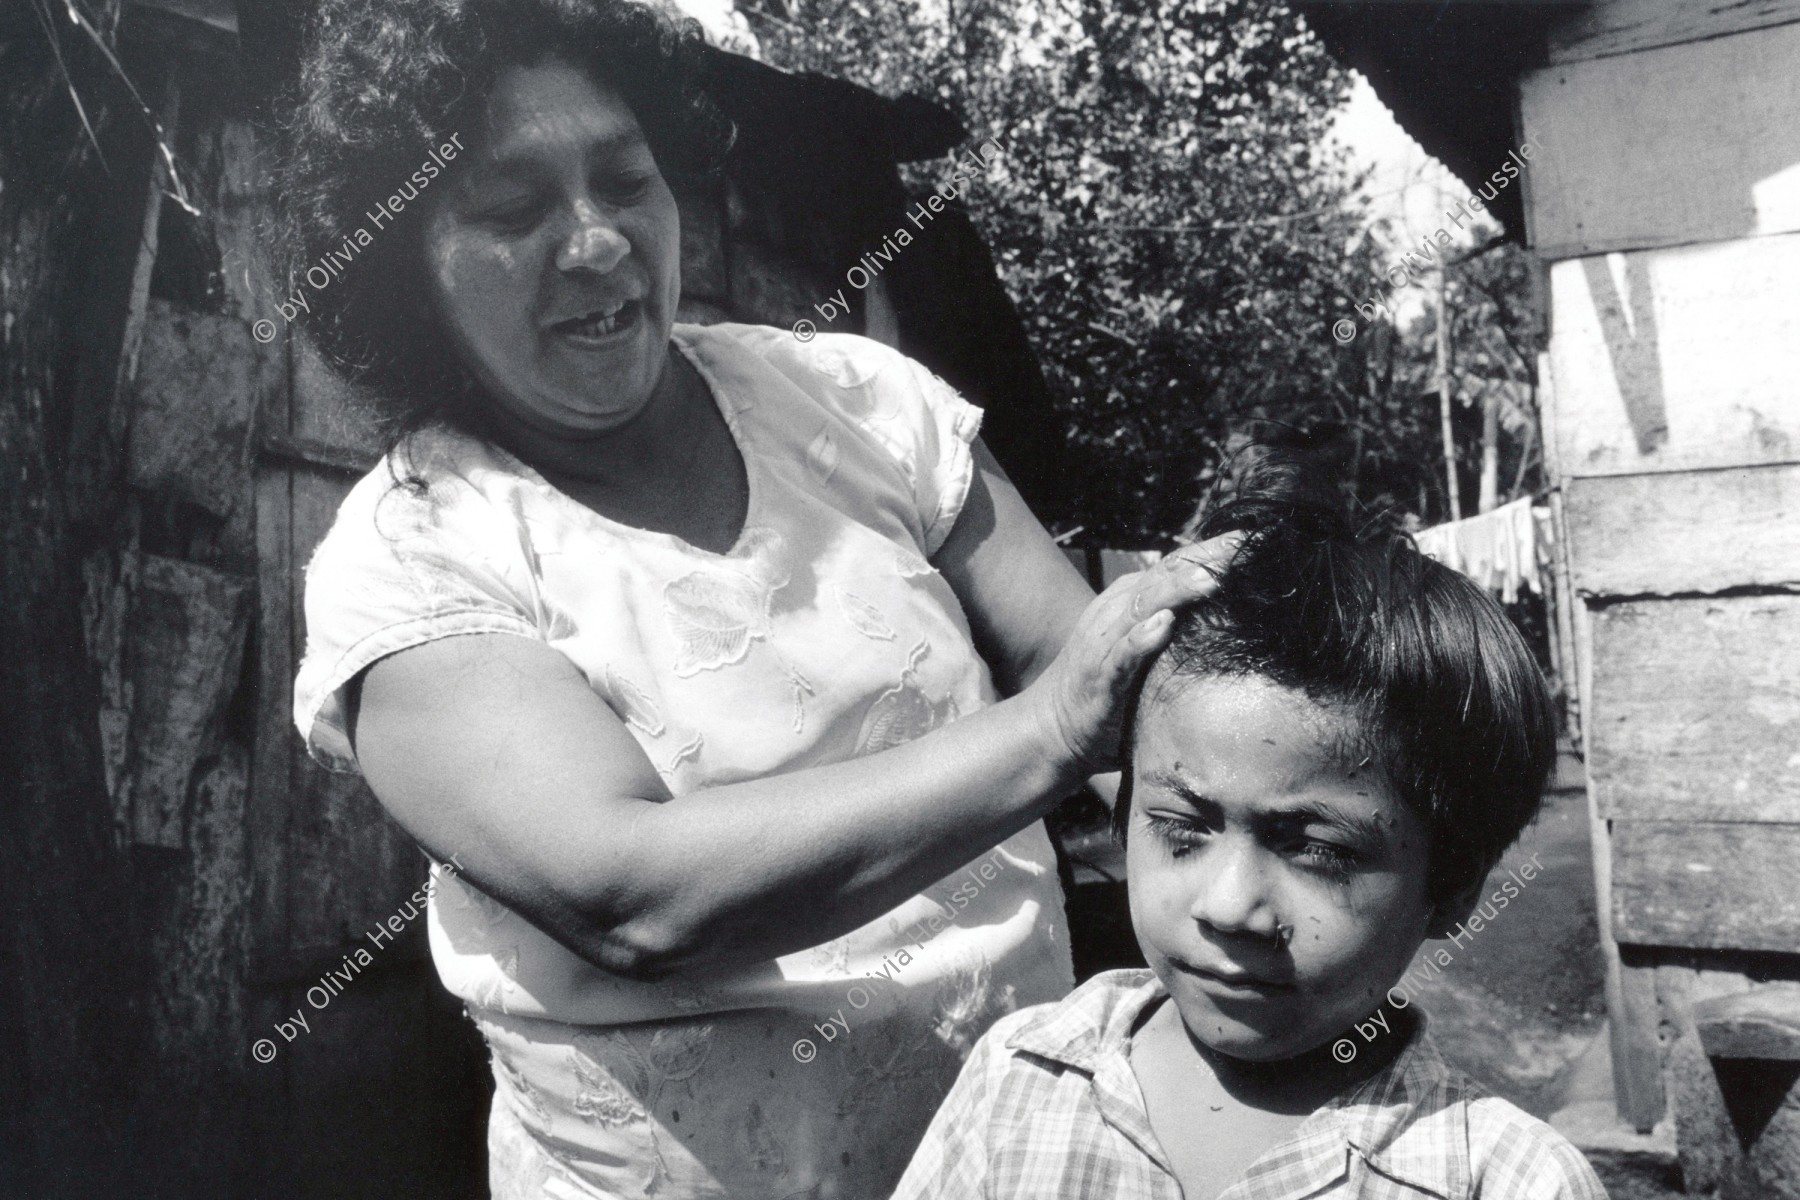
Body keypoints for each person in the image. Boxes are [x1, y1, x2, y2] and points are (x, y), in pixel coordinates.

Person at [280, 1, 1229, 1196]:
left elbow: (1117, 688)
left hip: (1024, 1153)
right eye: (514, 210)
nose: (597, 242)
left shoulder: (865, 406)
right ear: (402, 266)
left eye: (626, 179)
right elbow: (636, 898)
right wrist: (1049, 735)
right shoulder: (415, 552)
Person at [892, 460, 1610, 1200]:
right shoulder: (1018, 1078)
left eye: (1317, 850)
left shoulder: (1506, 1179)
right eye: (1180, 829)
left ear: (1455, 888)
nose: (1229, 907)